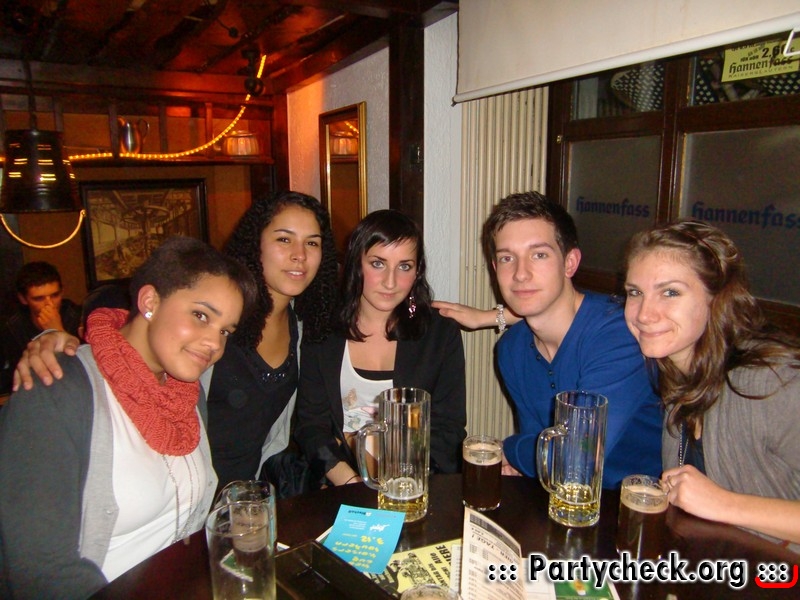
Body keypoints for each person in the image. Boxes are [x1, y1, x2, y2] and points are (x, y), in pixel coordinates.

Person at [9, 191, 340, 497]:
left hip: (242, 501)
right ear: (256, 243)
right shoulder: (209, 321)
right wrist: (51, 338)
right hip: (175, 498)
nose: (299, 255)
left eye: (312, 243)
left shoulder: (305, 330)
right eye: (284, 239)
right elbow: (135, 332)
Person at [0, 236, 257, 599]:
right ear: (150, 302)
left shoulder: (187, 392)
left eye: (225, 331)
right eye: (201, 315)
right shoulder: (58, 391)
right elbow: (41, 571)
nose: (215, 344)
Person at [433, 191, 662, 489]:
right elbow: (542, 457)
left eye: (539, 255)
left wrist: (509, 449)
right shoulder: (511, 349)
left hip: (639, 505)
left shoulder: (617, 334)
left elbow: (576, 460)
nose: (521, 274)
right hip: (560, 501)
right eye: (507, 258)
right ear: (495, 269)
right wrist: (524, 463)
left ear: (570, 263)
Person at [622, 219, 800, 548]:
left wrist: (724, 504)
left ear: (716, 299)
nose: (644, 313)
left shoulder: (774, 381)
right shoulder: (679, 377)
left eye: (670, 292)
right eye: (635, 293)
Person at [294, 209, 467, 485]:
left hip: (414, 480)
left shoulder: (440, 333)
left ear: (417, 271)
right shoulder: (323, 329)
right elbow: (311, 425)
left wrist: (401, 482)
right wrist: (350, 482)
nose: (390, 281)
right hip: (340, 480)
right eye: (378, 263)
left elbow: (448, 429)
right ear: (356, 263)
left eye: (404, 266)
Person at [0, 261, 81, 394]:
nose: (49, 304)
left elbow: (83, 368)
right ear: (23, 299)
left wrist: (58, 331)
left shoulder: (79, 317)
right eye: (39, 299)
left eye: (55, 295)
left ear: (62, 292)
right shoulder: (12, 327)